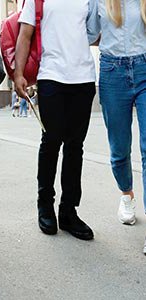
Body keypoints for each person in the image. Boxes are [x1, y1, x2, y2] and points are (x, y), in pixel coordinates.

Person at [15, 0, 97, 240]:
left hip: (83, 78)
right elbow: (25, 34)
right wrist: (18, 74)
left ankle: (69, 211)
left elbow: (93, 32)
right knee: (51, 141)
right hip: (51, 75)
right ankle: (45, 205)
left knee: (75, 146)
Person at [87, 0, 146, 249]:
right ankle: (126, 194)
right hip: (112, 71)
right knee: (119, 150)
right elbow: (88, 33)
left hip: (144, 66)